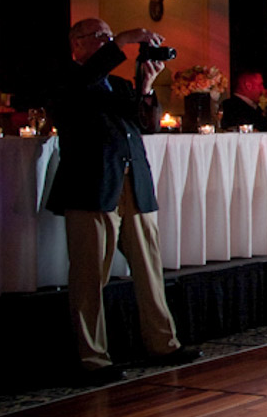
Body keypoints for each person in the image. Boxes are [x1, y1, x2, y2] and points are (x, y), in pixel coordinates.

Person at [45, 19, 201, 382]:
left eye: (108, 36)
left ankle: (163, 344)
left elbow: (145, 124)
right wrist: (124, 40)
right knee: (90, 275)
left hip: (133, 183)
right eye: (100, 36)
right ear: (76, 44)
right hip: (92, 187)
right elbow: (83, 85)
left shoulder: (116, 84)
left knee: (149, 267)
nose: (107, 41)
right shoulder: (64, 78)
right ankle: (93, 358)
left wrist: (145, 85)